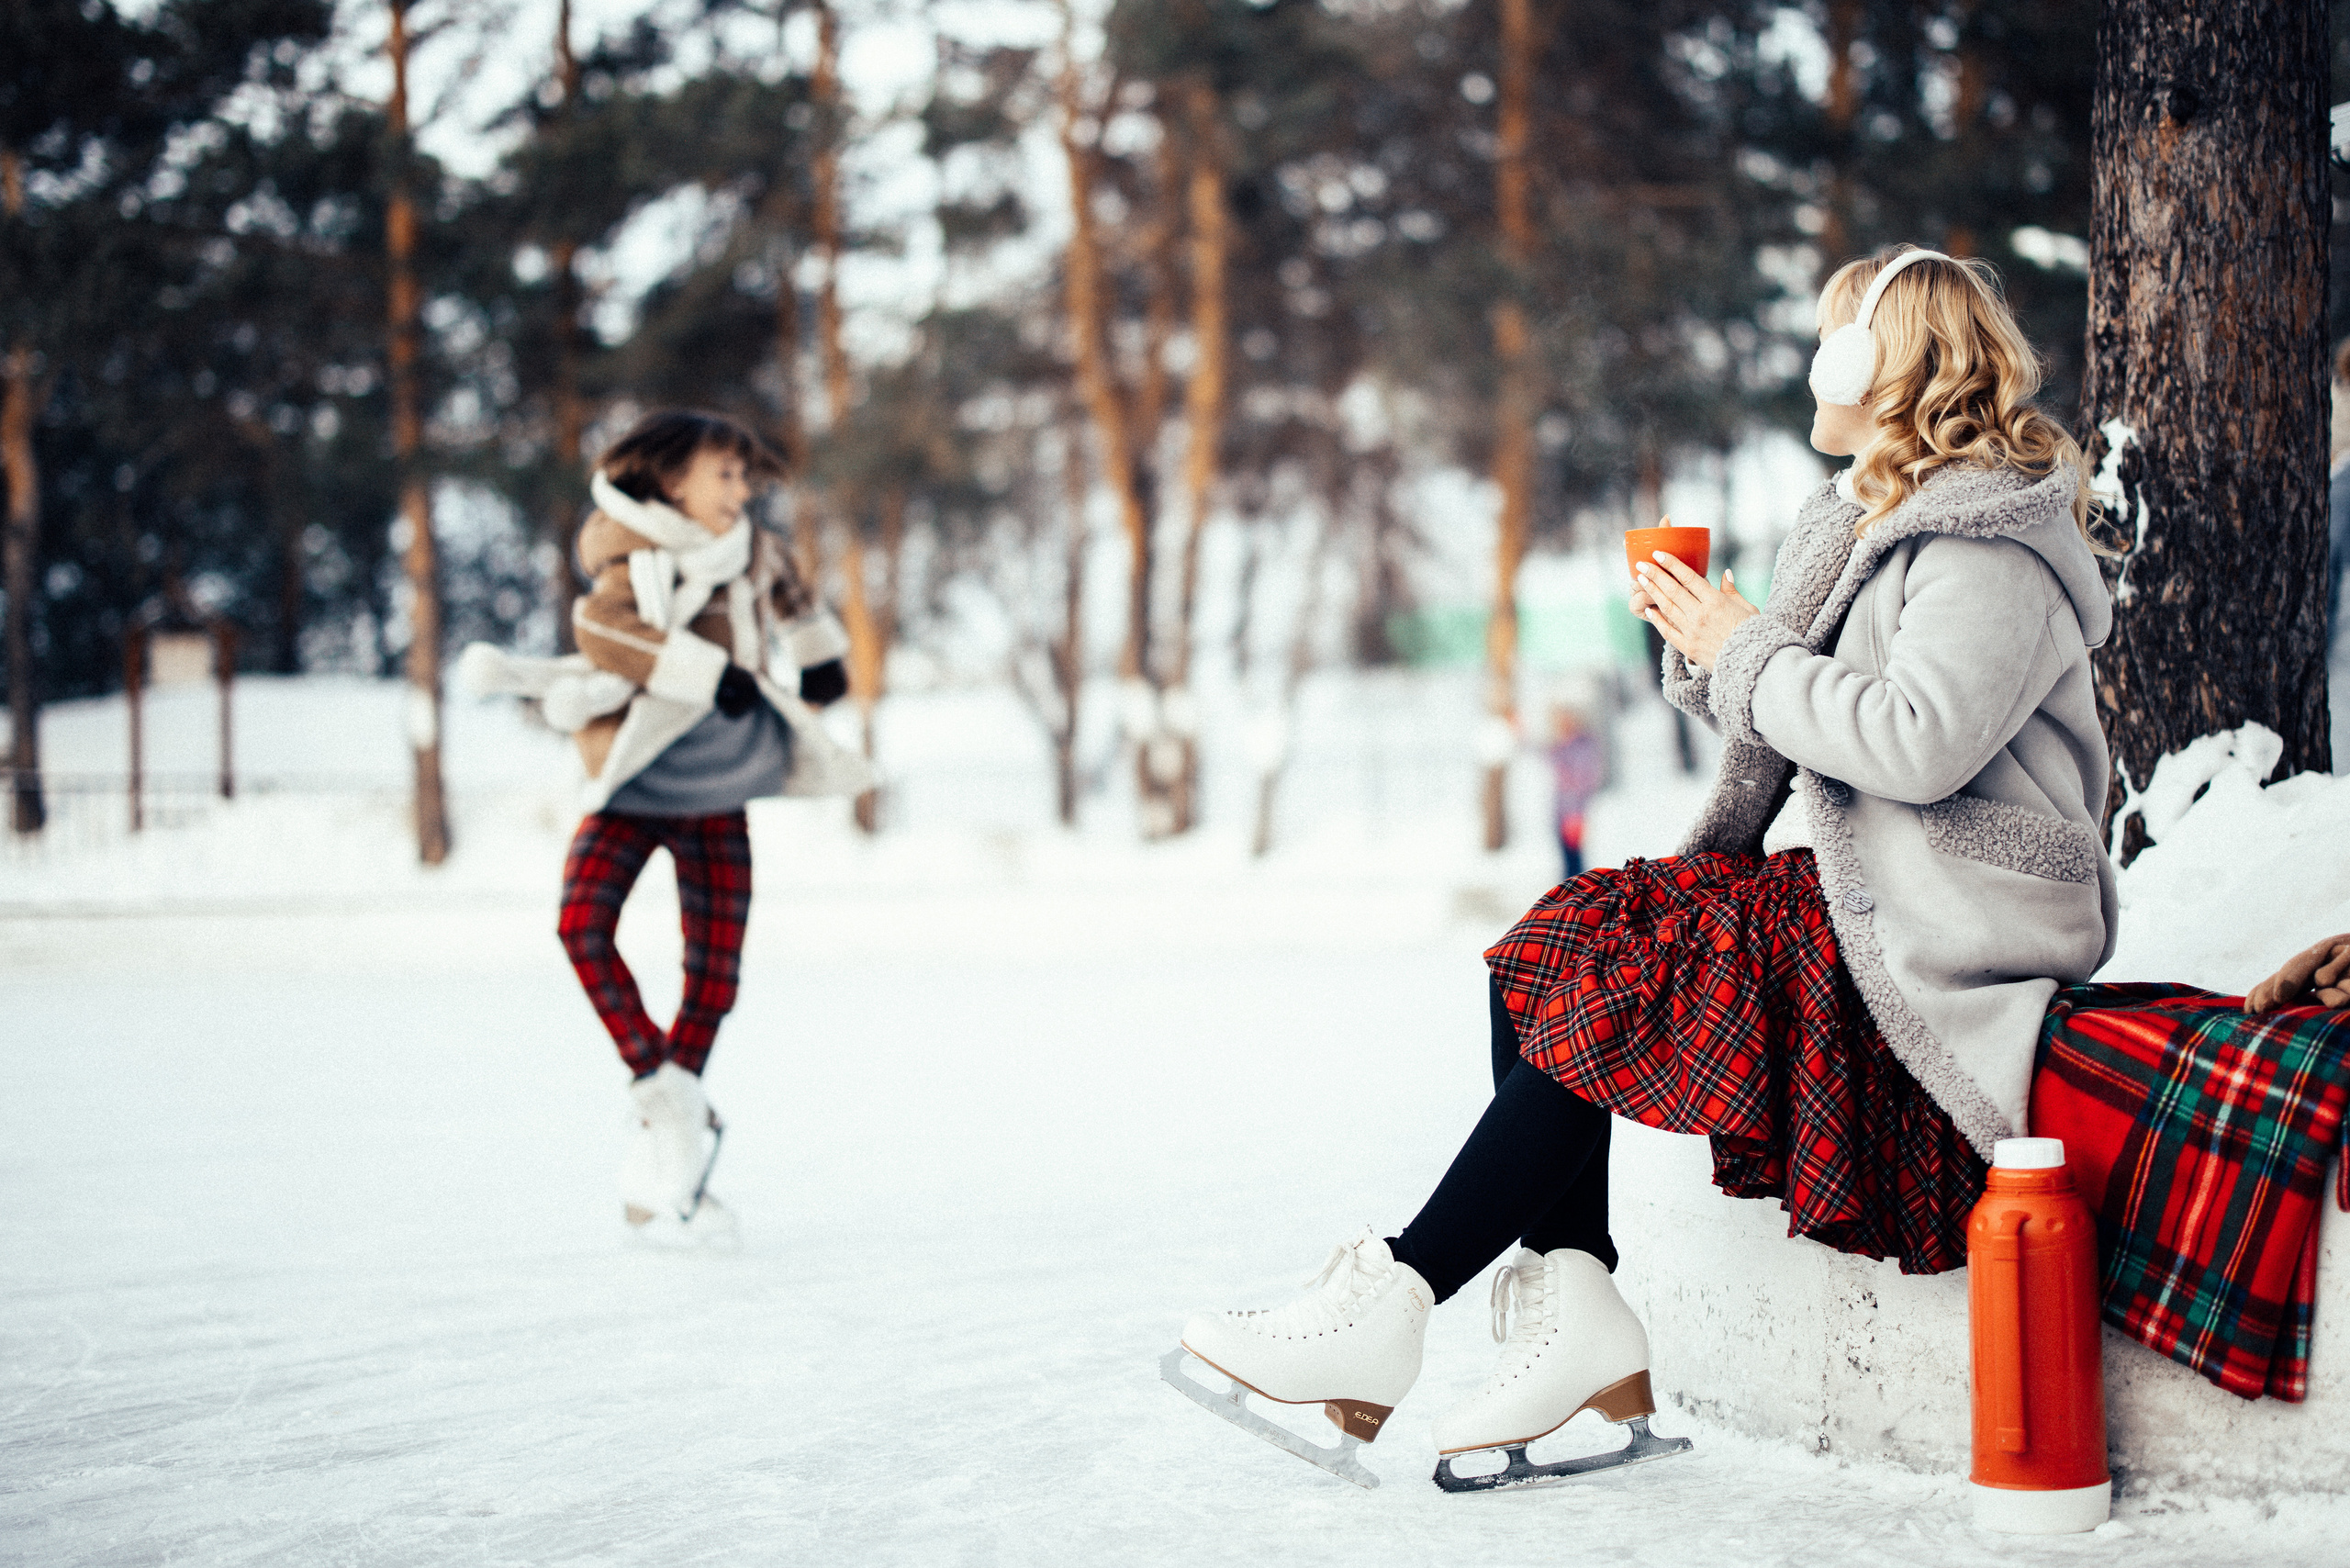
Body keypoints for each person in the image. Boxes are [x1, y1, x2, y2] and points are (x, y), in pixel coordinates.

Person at [1169, 247, 2117, 1490]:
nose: (1810, 362)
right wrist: (1710, 642)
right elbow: (1795, 708)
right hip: (1870, 878)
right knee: (1566, 935)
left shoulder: (1985, 542)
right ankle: (1580, 1305)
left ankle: (1396, 1298)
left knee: (1641, 972)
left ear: (1886, 363)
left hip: (1961, 910)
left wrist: (1748, 650)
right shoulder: (1863, 523)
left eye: (1832, 337)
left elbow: (1916, 743)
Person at [460, 410, 867, 1240]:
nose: (740, 491)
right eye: (724, 475)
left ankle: (670, 1135)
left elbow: (796, 601)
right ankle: (667, 1097)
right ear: (674, 482)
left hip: (722, 783)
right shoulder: (629, 551)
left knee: (715, 972)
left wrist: (820, 660)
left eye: (745, 476)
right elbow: (602, 629)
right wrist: (707, 673)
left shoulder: (755, 552)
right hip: (641, 776)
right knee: (582, 924)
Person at [1545, 705, 1605, 879]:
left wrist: (1576, 813)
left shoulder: (1582, 747)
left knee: (1575, 861)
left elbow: (1583, 782)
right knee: (1566, 859)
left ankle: (1579, 892)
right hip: (1560, 811)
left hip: (1574, 812)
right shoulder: (1560, 746)